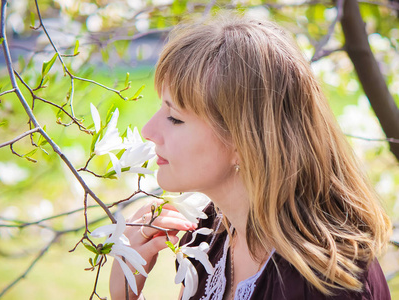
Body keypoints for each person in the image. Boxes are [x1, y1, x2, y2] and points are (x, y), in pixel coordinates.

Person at [109, 12, 392, 300]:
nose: (148, 130)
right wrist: (126, 292)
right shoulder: (208, 235)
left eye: (175, 118)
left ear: (244, 142)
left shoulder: (325, 284)